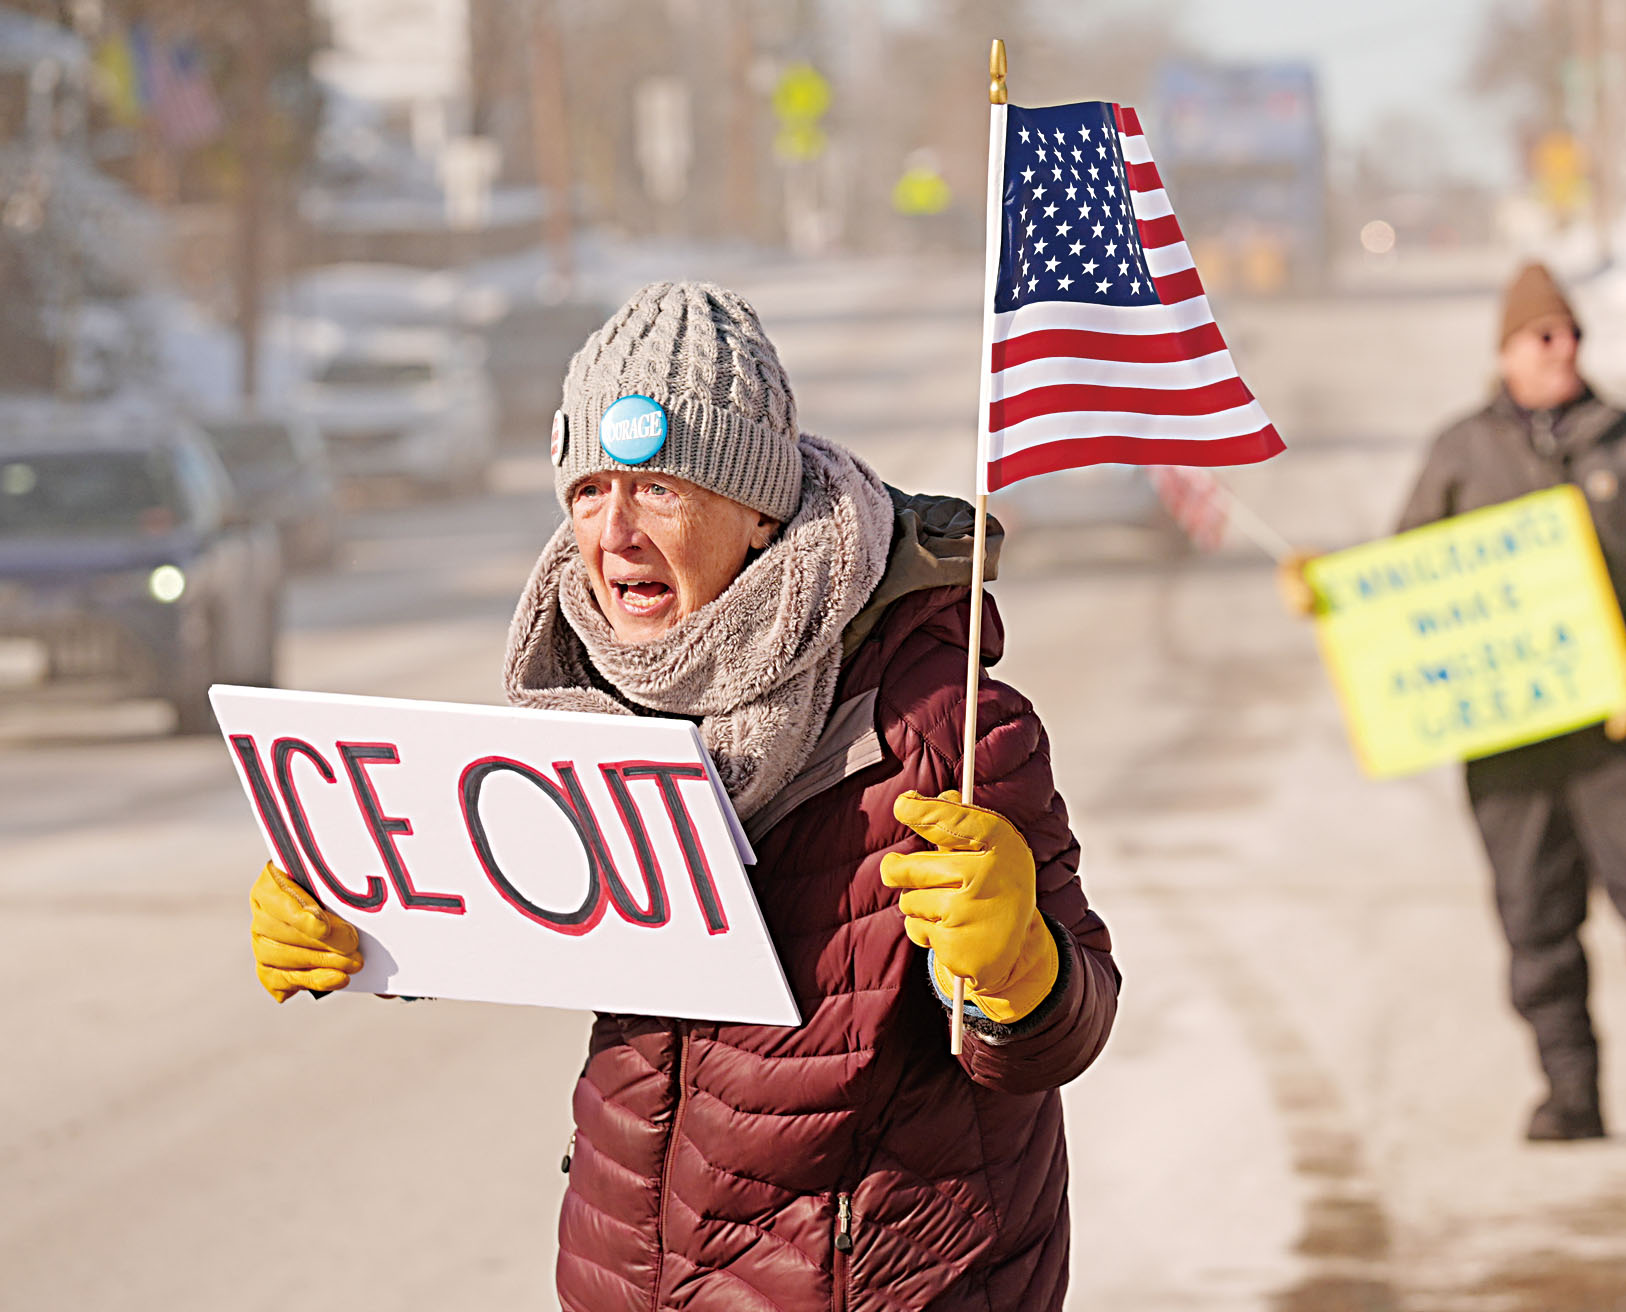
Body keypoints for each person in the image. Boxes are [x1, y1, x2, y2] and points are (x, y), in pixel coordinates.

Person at [245, 281, 1121, 1310]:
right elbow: (524, 899)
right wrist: (360, 912)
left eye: (658, 488)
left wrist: (1021, 968)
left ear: (756, 511)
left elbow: (1064, 1029)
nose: (613, 536)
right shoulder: (591, 700)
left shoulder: (937, 725)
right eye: (587, 493)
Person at [1285, 262, 1626, 1147]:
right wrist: (1329, 592)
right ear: (1506, 350)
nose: (1563, 347)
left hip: (1618, 734)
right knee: (1535, 919)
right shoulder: (1461, 451)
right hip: (1505, 740)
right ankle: (1569, 1095)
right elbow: (1405, 581)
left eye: (1571, 332)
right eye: (1544, 335)